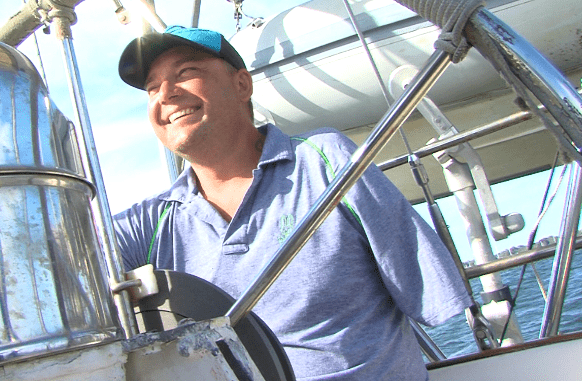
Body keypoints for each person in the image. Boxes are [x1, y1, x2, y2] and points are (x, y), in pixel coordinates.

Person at [113, 25, 472, 380]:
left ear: (242, 85)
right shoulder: (151, 222)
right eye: (151, 88)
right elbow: (66, 260)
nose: (165, 95)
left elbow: (429, 288)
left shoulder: (325, 161)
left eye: (186, 72)